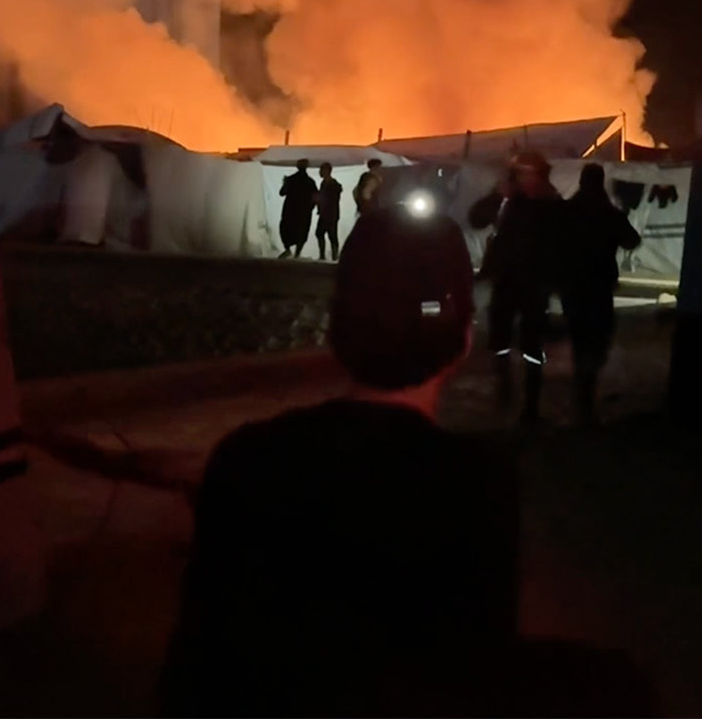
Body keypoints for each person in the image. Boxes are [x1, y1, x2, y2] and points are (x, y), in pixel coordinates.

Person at [158, 207, 517, 716]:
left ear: (335, 329)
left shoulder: (248, 460)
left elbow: (193, 673)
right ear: (464, 339)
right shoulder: (478, 484)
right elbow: (479, 673)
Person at [467, 151, 564, 424]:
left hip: (536, 284)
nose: (525, 179)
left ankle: (531, 406)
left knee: (533, 343)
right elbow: (476, 219)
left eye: (530, 173)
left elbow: (562, 244)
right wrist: (496, 195)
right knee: (500, 336)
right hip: (506, 280)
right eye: (521, 173)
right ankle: (504, 384)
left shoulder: (552, 203)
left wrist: (556, 279)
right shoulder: (507, 199)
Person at [561, 163, 641, 426]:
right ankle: (586, 398)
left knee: (580, 339)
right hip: (598, 287)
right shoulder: (608, 213)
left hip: (573, 287)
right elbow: (632, 240)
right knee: (597, 340)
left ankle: (581, 397)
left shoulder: (568, 211)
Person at [278, 158, 316, 258]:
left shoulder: (291, 179)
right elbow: (315, 197)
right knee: (301, 232)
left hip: (291, 211)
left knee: (287, 230)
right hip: (303, 212)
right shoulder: (310, 181)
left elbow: (282, 192)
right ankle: (296, 253)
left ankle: (289, 250)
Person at [315, 161, 344, 260]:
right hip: (325, 213)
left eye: (321, 170)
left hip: (331, 214)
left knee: (331, 235)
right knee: (320, 233)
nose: (320, 172)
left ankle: (334, 257)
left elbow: (331, 199)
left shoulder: (333, 184)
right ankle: (324, 255)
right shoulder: (324, 183)